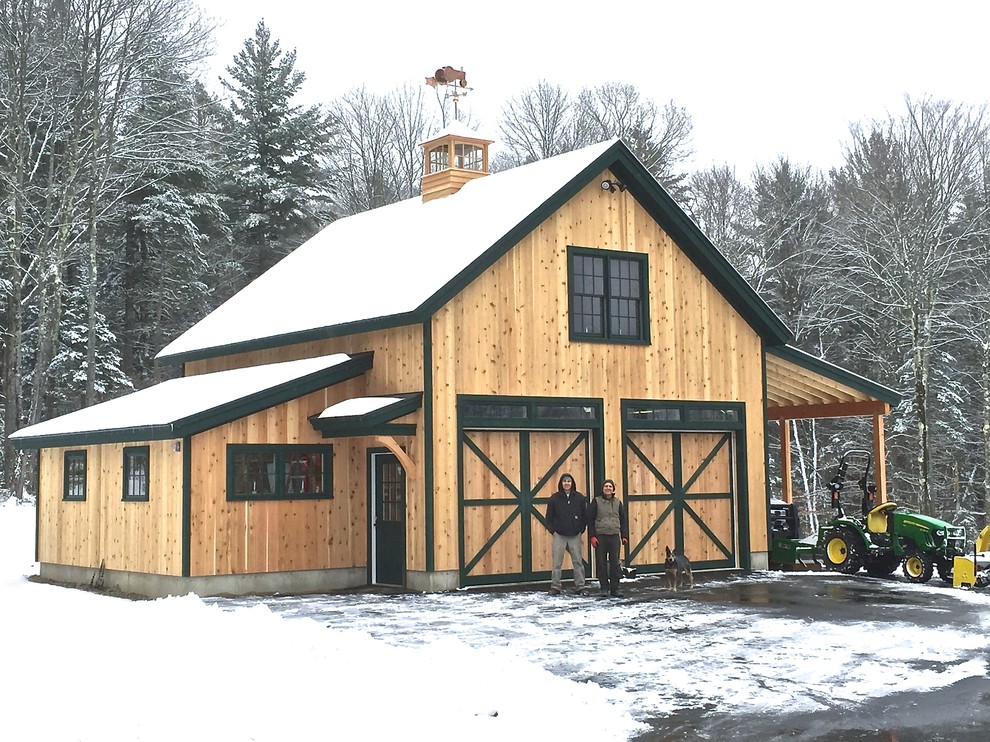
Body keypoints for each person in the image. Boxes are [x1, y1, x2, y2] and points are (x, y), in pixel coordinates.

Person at [544, 472, 589, 595]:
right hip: (559, 535)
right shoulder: (554, 499)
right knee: (557, 562)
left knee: (578, 562)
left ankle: (580, 586)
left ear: (572, 483)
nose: (567, 483)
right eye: (564, 481)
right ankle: (555, 586)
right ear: (561, 483)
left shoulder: (579, 498)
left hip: (574, 535)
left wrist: (581, 529)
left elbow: (585, 516)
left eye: (569, 481)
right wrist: (553, 530)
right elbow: (548, 517)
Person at [588, 478, 629, 597]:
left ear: (613, 489)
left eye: (610, 486)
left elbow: (623, 519)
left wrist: (624, 535)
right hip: (600, 536)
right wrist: (592, 536)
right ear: (602, 488)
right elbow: (590, 519)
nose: (608, 488)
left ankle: (615, 589)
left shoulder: (617, 502)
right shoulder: (596, 501)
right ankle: (604, 588)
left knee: (615, 563)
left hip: (614, 536)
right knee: (601, 563)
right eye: (606, 486)